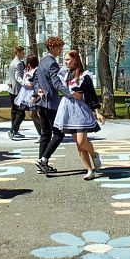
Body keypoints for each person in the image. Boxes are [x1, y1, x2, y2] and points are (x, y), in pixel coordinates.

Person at [53, 50, 105, 180]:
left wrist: (97, 112)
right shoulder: (64, 74)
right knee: (78, 144)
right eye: (65, 59)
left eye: (68, 59)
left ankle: (94, 154)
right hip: (67, 110)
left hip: (80, 110)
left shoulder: (84, 75)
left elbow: (91, 94)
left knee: (82, 141)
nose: (65, 62)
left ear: (75, 60)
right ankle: (89, 170)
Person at [34, 36, 83, 174]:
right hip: (51, 103)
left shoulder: (43, 61)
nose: (60, 50)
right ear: (51, 48)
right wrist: (70, 93)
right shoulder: (52, 63)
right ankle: (43, 160)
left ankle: (42, 164)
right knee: (58, 134)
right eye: (58, 47)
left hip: (42, 102)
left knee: (45, 134)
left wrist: (37, 90)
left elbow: (36, 79)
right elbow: (56, 83)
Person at [14, 54, 42, 140]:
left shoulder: (36, 70)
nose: (28, 63)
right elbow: (23, 79)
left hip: (33, 94)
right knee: (32, 115)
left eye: (29, 61)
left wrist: (34, 92)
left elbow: (37, 82)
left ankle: (46, 128)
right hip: (25, 94)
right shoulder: (28, 69)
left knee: (33, 114)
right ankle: (41, 134)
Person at [8, 46, 26, 139]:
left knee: (14, 111)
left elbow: (10, 75)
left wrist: (9, 82)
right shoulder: (19, 63)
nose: (23, 54)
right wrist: (25, 84)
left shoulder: (12, 62)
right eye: (22, 52)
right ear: (18, 53)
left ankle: (14, 130)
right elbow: (18, 76)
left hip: (12, 90)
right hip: (18, 90)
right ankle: (13, 130)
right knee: (21, 113)